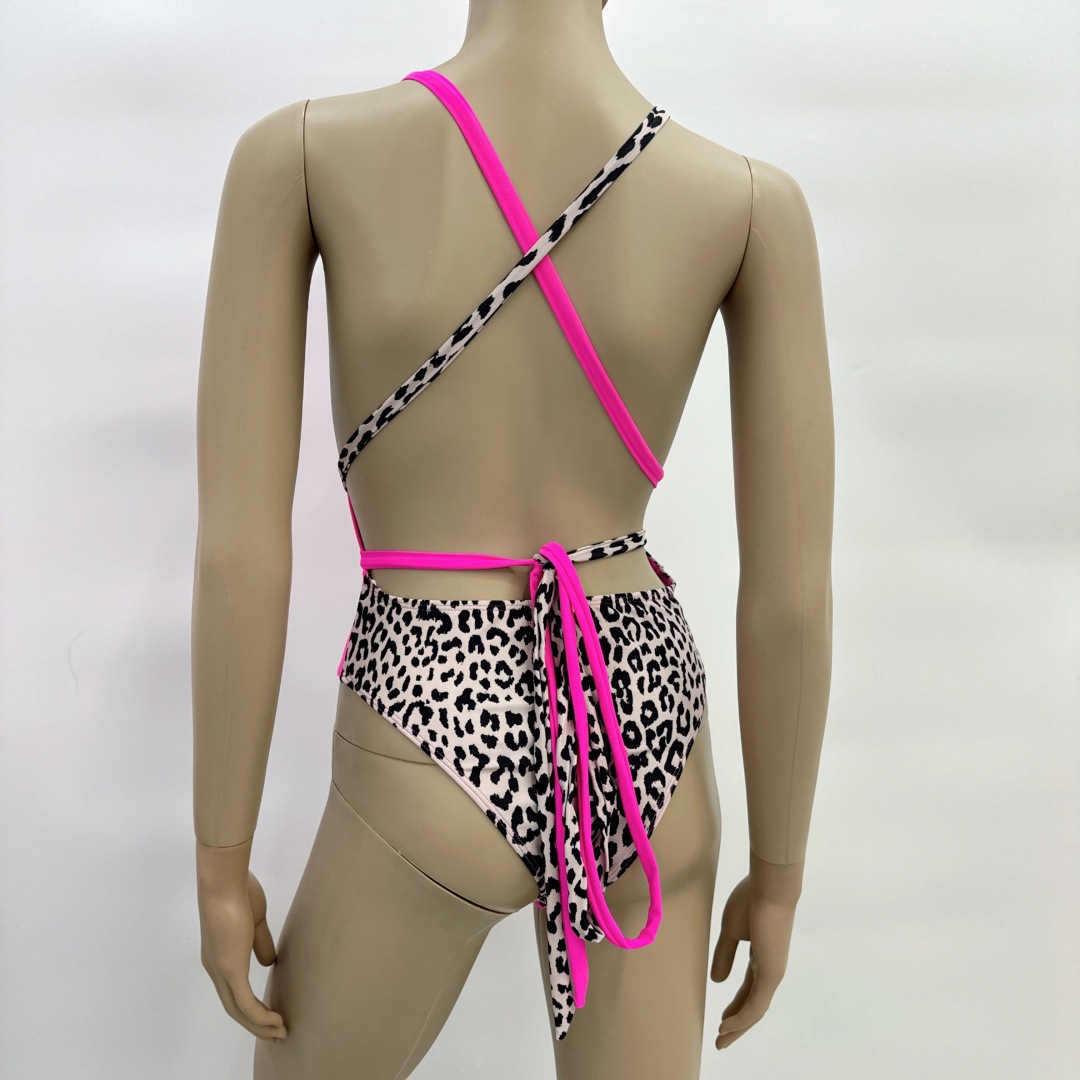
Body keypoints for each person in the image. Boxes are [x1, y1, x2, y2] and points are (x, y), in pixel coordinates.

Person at [192, 2, 834, 1077]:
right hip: (642, 714)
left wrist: (220, 857)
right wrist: (780, 875)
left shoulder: (302, 154)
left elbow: (238, 558)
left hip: (428, 695)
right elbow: (793, 598)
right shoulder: (748, 201)